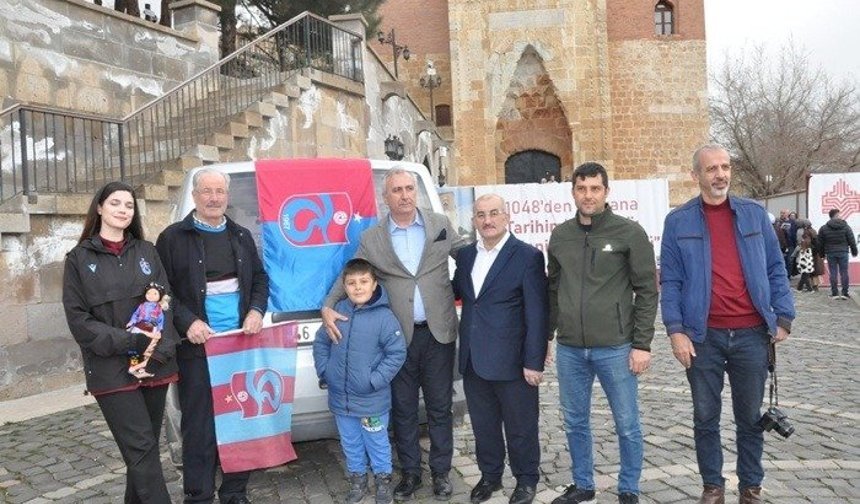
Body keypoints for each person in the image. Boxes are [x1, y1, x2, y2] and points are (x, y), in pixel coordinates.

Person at [322, 168, 467, 501]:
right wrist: (328, 306)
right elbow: (350, 274)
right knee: (402, 409)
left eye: (409, 188)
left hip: (438, 332)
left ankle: (442, 473)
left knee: (440, 407)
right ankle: (411, 473)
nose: (404, 195)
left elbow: (469, 258)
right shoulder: (373, 239)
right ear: (385, 198)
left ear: (416, 191)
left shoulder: (440, 223)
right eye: (396, 190)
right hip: (397, 339)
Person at [660, 144, 795, 504]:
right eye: (711, 169)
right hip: (702, 337)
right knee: (705, 417)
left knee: (750, 417)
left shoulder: (754, 215)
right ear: (696, 176)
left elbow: (775, 268)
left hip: (752, 334)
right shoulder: (678, 221)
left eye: (725, 167)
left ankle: (750, 485)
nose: (720, 174)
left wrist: (783, 316)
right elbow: (670, 281)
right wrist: (675, 331)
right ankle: (713, 486)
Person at [156, 169, 269, 504]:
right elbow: (159, 291)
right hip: (197, 349)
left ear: (227, 196)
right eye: (207, 191)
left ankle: (235, 492)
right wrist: (187, 321)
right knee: (199, 426)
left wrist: (255, 311)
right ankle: (199, 495)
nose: (214, 198)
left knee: (240, 421)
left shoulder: (242, 236)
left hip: (239, 346)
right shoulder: (172, 238)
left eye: (220, 191)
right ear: (195, 195)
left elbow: (260, 280)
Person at [548, 162, 658, 504]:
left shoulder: (628, 233)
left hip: (616, 346)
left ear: (606, 192)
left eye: (595, 189)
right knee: (575, 422)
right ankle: (583, 484)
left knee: (627, 423)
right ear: (573, 192)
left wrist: (642, 344)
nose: (588, 195)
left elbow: (647, 290)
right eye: (582, 189)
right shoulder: (561, 235)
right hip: (569, 349)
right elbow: (553, 288)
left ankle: (629, 488)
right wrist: (547, 336)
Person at [63, 181, 178, 504]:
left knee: (143, 451)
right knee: (141, 447)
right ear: (99, 208)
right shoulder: (78, 259)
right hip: (110, 368)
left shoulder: (147, 251)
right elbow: (79, 320)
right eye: (115, 203)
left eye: (129, 205)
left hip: (154, 364)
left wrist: (156, 352)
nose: (123, 210)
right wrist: (130, 341)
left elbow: (165, 303)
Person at [452, 194, 548, 504]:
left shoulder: (527, 256)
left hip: (513, 361)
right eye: (481, 215)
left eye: (494, 213)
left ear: (507, 217)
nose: (487, 220)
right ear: (474, 221)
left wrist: (534, 361)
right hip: (474, 360)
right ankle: (490, 476)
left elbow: (537, 312)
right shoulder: (466, 256)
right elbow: (459, 295)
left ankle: (526, 480)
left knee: (521, 426)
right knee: (484, 426)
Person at [313, 259, 407, 504]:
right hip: (341, 399)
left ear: (374, 284)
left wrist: (374, 381)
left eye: (364, 282)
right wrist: (326, 371)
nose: (358, 288)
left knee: (376, 441)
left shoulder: (385, 317)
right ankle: (358, 478)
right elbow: (321, 342)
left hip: (371, 400)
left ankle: (383, 480)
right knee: (350, 442)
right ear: (344, 286)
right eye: (351, 283)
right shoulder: (337, 313)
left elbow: (396, 352)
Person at [126, 282, 171, 378]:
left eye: (154, 294)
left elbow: (160, 321)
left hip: (152, 329)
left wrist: (159, 329)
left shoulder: (158, 309)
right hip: (139, 327)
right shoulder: (142, 306)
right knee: (134, 348)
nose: (151, 296)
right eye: (149, 293)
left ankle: (145, 367)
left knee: (150, 349)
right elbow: (135, 315)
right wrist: (132, 322)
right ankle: (134, 364)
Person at [817, 208, 858, 300]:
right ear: (837, 215)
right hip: (843, 252)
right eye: (839, 214)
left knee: (833, 273)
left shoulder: (824, 228)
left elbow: (820, 243)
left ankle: (834, 293)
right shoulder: (846, 227)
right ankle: (845, 293)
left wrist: (822, 254)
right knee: (844, 272)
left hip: (831, 252)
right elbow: (851, 240)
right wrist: (854, 251)